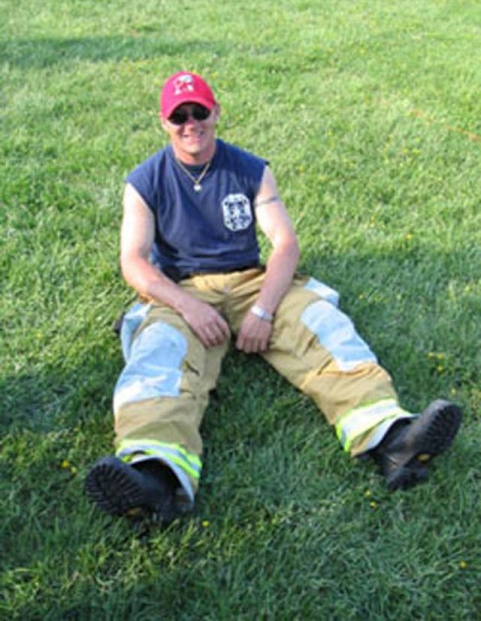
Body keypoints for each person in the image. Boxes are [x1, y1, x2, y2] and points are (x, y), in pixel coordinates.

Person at [85, 71, 462, 523]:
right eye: (178, 116)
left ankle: (390, 436)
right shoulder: (144, 181)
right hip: (182, 289)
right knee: (160, 354)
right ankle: (155, 475)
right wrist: (188, 306)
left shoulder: (250, 169)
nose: (191, 124)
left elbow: (285, 245)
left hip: (249, 280)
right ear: (164, 123)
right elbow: (135, 262)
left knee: (322, 325)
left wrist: (263, 309)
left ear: (216, 111)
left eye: (199, 112)